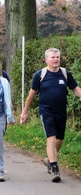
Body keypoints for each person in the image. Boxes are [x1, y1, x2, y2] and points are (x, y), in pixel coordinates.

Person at [21, 48, 81, 183]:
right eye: (53, 57)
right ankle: (54, 168)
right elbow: (32, 94)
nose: (56, 59)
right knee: (51, 138)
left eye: (57, 57)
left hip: (61, 112)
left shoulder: (65, 73)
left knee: (59, 140)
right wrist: (25, 111)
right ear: (46, 60)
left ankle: (49, 160)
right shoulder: (40, 74)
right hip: (46, 112)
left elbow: (76, 89)